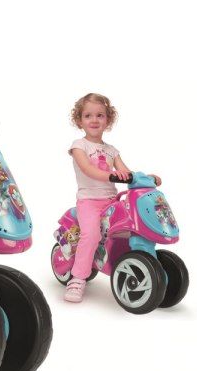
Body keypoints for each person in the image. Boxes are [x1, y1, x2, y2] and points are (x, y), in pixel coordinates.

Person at [65, 93, 161, 302]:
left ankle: (134, 259)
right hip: (89, 202)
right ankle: (78, 278)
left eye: (100, 115)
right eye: (88, 115)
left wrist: (146, 177)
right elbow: (87, 169)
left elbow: (126, 173)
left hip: (111, 201)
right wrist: (110, 175)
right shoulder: (79, 146)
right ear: (79, 120)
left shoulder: (112, 151)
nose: (94, 120)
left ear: (107, 120)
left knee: (131, 227)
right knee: (91, 235)